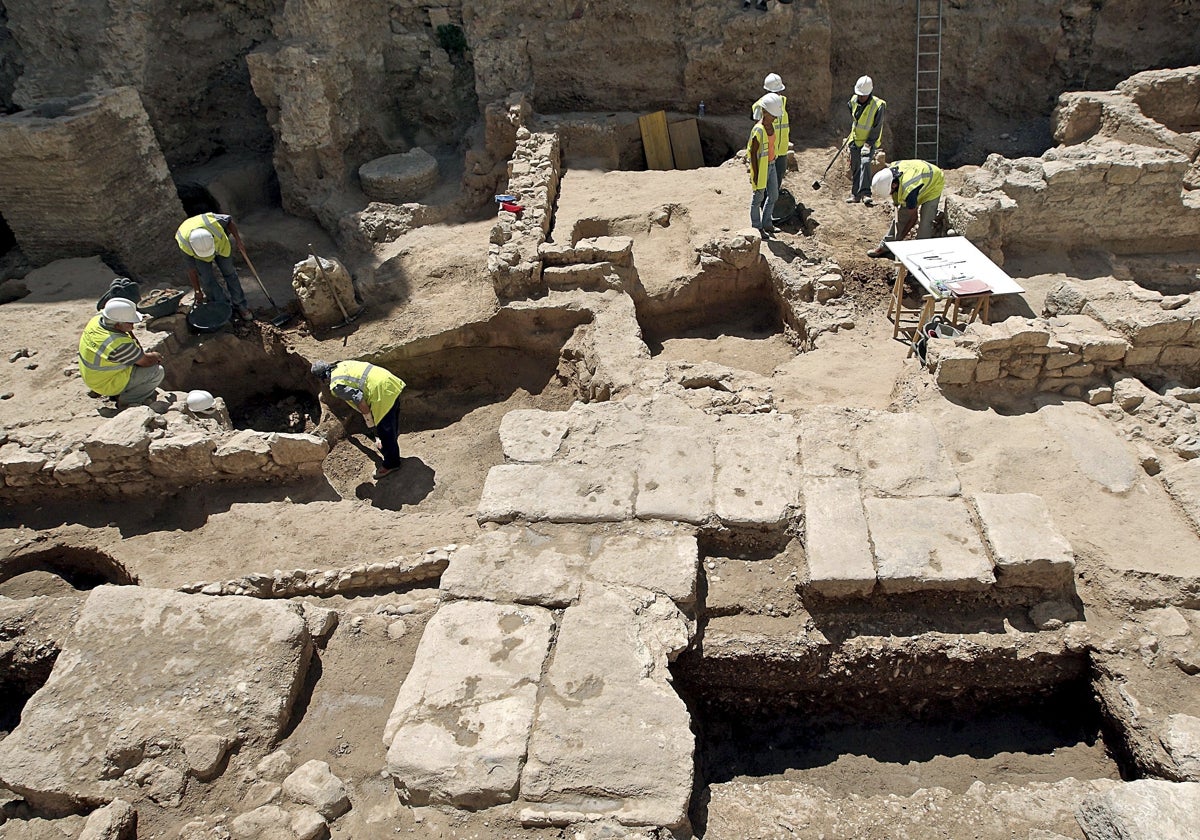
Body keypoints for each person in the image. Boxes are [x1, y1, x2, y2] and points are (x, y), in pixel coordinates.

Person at [312, 359, 406, 480]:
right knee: (391, 421)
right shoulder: (342, 365)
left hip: (380, 393)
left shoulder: (336, 385)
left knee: (385, 429)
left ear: (322, 378)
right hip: (390, 382)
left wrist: (369, 421)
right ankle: (389, 442)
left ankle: (392, 464)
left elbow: (360, 400)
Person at [77, 298, 165, 408]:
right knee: (157, 372)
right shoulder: (119, 344)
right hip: (105, 383)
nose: (133, 326)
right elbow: (146, 362)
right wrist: (155, 356)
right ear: (117, 325)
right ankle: (127, 401)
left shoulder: (97, 320)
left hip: (92, 376)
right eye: (130, 323)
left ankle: (111, 390)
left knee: (133, 358)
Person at [175, 212, 254, 321]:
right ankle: (223, 308)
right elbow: (191, 269)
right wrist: (197, 290)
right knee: (207, 280)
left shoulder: (212, 221)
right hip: (201, 257)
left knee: (230, 274)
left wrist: (238, 241)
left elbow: (229, 221)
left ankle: (241, 306)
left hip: (221, 247)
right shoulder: (184, 243)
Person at [866, 159, 945, 258]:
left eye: (890, 192)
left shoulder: (909, 191)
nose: (890, 194)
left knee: (926, 223)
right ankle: (886, 246)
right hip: (920, 176)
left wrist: (900, 239)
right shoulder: (891, 172)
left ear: (894, 185)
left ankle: (921, 255)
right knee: (902, 215)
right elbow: (897, 202)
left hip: (934, 181)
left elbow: (913, 218)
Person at [846, 75, 887, 205]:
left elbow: (877, 127)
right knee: (855, 166)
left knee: (865, 163)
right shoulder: (853, 100)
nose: (860, 97)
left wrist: (868, 144)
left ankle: (866, 194)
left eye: (863, 95)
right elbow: (854, 117)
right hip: (855, 139)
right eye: (859, 95)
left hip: (869, 141)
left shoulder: (878, 106)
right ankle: (855, 194)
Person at [747, 92, 783, 237]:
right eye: (773, 115)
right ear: (765, 112)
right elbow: (753, 154)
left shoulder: (772, 127)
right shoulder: (758, 130)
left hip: (772, 165)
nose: (775, 118)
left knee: (773, 195)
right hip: (761, 168)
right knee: (758, 198)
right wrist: (754, 174)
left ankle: (767, 223)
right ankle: (757, 227)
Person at [752, 73, 790, 195]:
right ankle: (764, 208)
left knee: (777, 181)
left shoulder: (783, 101)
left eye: (779, 92)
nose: (778, 95)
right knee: (764, 182)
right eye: (776, 92)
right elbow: (757, 126)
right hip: (767, 151)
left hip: (782, 150)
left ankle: (773, 206)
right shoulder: (760, 105)